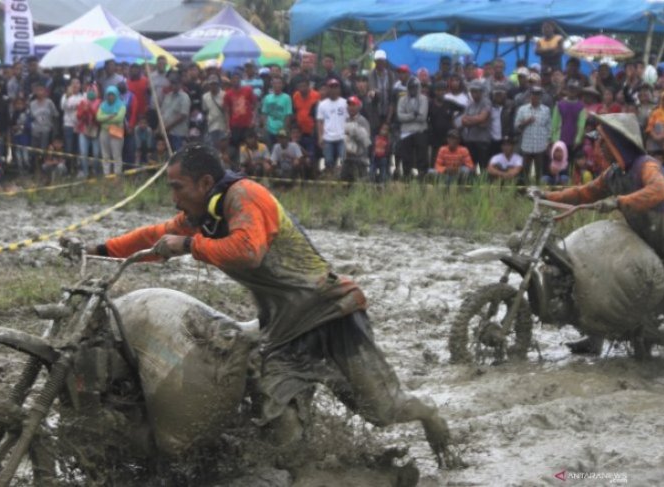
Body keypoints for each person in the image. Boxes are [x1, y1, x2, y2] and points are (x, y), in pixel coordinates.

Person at [83, 143, 457, 468]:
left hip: (331, 311)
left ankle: (428, 413)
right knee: (279, 427)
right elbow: (154, 237)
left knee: (383, 410)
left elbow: (248, 251)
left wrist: (189, 246)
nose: (174, 198)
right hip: (282, 332)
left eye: (177, 188)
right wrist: (101, 251)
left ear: (204, 184)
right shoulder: (205, 217)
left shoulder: (245, 197)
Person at [534, 113, 664, 354]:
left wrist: (619, 201)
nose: (598, 147)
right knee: (604, 273)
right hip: (645, 236)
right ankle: (596, 337)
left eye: (602, 142)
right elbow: (582, 193)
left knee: (657, 298)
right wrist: (546, 196)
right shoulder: (614, 174)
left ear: (616, 143)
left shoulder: (646, 165)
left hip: (663, 234)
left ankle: (645, 343)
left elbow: (659, 190)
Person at [515, 86, 551, 182]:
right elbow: (517, 127)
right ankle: (525, 192)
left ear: (540, 97)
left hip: (540, 146)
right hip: (526, 146)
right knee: (525, 173)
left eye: (537, 95)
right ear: (530, 96)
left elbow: (549, 128)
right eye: (533, 94)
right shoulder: (522, 109)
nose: (535, 97)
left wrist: (548, 142)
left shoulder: (546, 110)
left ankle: (538, 192)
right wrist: (525, 122)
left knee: (540, 173)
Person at [397, 77, 429, 179]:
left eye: (415, 87)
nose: (413, 90)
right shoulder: (402, 99)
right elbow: (400, 117)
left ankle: (422, 177)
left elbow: (422, 117)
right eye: (411, 88)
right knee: (406, 158)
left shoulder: (424, 99)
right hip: (405, 132)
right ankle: (407, 177)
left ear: (418, 87)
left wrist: (408, 116)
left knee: (422, 157)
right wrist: (413, 115)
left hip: (420, 130)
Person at [316, 79, 348, 177]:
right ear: (327, 89)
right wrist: (320, 136)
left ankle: (342, 180)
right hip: (328, 138)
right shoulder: (322, 104)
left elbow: (348, 119)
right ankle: (330, 181)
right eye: (331, 87)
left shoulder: (345, 103)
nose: (333, 90)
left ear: (339, 89)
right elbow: (320, 122)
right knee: (329, 161)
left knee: (343, 160)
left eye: (335, 87)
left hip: (342, 137)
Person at [461, 81, 491, 172]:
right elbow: (463, 121)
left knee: (483, 166)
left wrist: (470, 120)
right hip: (470, 140)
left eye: (476, 91)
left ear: (481, 92)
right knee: (471, 166)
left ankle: (484, 184)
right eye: (472, 91)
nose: (474, 93)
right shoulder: (469, 104)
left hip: (483, 140)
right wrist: (477, 121)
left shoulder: (486, 102)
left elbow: (482, 118)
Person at [96, 85, 126, 176]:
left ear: (116, 95)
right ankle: (107, 175)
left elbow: (119, 119)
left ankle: (117, 175)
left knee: (116, 154)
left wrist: (105, 120)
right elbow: (98, 118)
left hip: (116, 130)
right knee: (105, 154)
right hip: (104, 132)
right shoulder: (103, 105)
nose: (110, 97)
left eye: (112, 95)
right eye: (108, 95)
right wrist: (110, 116)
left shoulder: (121, 105)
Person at [551, 80, 587, 155]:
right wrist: (554, 140)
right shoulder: (559, 105)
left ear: (577, 91)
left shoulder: (581, 107)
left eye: (574, 89)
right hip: (560, 140)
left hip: (573, 141)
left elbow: (581, 125)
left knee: (571, 164)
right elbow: (554, 123)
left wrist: (578, 140)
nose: (572, 91)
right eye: (570, 89)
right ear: (567, 90)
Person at [224, 70, 257, 149]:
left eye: (237, 78)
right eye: (233, 79)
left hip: (247, 124)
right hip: (235, 125)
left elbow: (255, 105)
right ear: (231, 80)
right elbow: (227, 112)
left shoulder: (248, 90)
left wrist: (254, 119)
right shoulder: (228, 94)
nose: (235, 80)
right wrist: (227, 127)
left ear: (240, 79)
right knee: (236, 146)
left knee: (248, 146)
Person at [29, 83, 59, 170]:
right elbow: (30, 117)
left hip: (47, 130)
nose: (40, 92)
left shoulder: (49, 102)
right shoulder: (32, 104)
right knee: (34, 151)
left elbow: (55, 115)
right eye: (38, 90)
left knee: (44, 150)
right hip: (35, 130)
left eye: (41, 90)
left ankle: (44, 167)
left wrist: (54, 129)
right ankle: (35, 169)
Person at [342, 95, 371, 182]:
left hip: (359, 160)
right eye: (349, 105)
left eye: (353, 105)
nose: (351, 107)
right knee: (344, 184)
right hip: (347, 159)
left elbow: (366, 141)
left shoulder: (363, 121)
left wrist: (353, 130)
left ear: (358, 107)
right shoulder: (345, 120)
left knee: (360, 184)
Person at [367, 50, 396, 136]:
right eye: (378, 61)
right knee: (375, 136)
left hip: (388, 110)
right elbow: (369, 91)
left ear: (385, 62)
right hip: (375, 111)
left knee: (387, 136)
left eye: (382, 61)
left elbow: (392, 94)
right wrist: (373, 93)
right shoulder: (370, 75)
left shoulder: (391, 75)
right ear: (375, 62)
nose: (380, 63)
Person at [292, 77, 320, 162]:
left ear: (309, 86)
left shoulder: (316, 95)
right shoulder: (296, 96)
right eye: (300, 86)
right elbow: (295, 111)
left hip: (312, 131)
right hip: (300, 131)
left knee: (312, 155)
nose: (302, 89)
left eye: (304, 86)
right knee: (299, 154)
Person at [159, 75, 190, 153]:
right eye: (172, 84)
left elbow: (183, 115)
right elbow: (162, 113)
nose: (174, 86)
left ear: (180, 84)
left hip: (178, 133)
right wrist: (159, 127)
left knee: (178, 155)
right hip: (167, 132)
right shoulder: (168, 96)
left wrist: (168, 127)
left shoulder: (184, 97)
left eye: (176, 84)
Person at [76, 85, 102, 178]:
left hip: (96, 131)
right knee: (83, 153)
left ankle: (96, 171)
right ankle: (85, 172)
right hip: (84, 130)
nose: (91, 92)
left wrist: (90, 109)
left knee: (96, 153)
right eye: (89, 90)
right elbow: (78, 116)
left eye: (93, 90)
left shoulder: (100, 103)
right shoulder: (82, 102)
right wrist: (84, 111)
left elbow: (99, 118)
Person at [261, 76, 293, 147]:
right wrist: (265, 126)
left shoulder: (287, 98)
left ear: (282, 85)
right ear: (272, 85)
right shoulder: (267, 98)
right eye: (274, 83)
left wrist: (284, 129)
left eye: (279, 83)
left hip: (281, 129)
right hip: (269, 129)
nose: (277, 85)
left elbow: (288, 114)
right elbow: (264, 113)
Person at [61, 78, 83, 172]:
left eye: (77, 83)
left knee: (78, 148)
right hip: (68, 125)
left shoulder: (82, 97)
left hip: (79, 125)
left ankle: (77, 168)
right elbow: (63, 107)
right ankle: (68, 169)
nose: (75, 85)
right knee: (68, 148)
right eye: (73, 83)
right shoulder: (65, 96)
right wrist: (67, 95)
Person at [202, 74, 227, 148]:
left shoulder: (224, 95)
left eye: (215, 84)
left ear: (218, 84)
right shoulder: (205, 97)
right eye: (211, 84)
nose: (213, 86)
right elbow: (205, 110)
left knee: (223, 147)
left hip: (223, 125)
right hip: (211, 125)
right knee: (213, 147)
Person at [10, 96, 32, 176]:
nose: (19, 106)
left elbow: (29, 126)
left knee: (25, 156)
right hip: (16, 138)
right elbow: (11, 125)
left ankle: (27, 169)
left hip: (24, 138)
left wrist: (21, 127)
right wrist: (14, 128)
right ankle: (20, 171)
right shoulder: (13, 115)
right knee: (18, 156)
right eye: (17, 104)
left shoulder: (26, 114)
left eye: (20, 104)